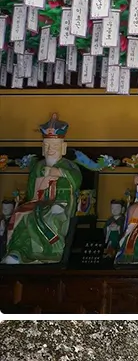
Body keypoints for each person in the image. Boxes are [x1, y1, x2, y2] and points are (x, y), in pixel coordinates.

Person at [2, 114, 82, 265]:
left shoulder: (68, 165)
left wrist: (58, 173)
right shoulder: (37, 166)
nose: (50, 149)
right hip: (38, 202)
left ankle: (52, 254)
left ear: (63, 148)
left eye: (55, 146)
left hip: (62, 203)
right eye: (47, 146)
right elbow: (31, 190)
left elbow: (76, 179)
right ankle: (19, 252)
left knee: (49, 215)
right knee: (21, 214)